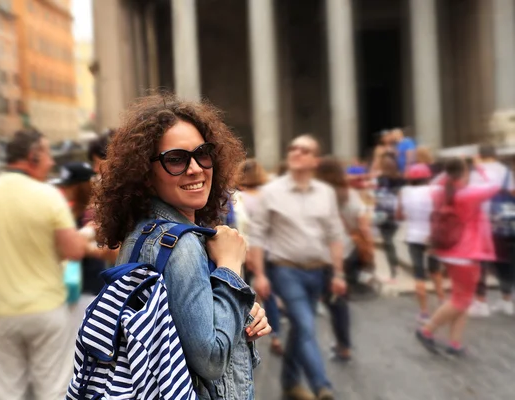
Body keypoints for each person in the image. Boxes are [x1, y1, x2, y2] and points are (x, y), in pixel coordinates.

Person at [90, 95, 271, 399]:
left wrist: (240, 311)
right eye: (175, 159)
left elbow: (178, 325)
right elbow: (211, 361)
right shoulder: (180, 244)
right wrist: (229, 267)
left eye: (203, 153)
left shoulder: (141, 232)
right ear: (144, 174)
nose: (196, 169)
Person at [0, 129, 87, 400]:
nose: (51, 162)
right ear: (33, 156)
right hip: (47, 308)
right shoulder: (49, 196)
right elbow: (74, 251)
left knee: (6, 392)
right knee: (52, 390)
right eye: (48, 154)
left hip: (1, 309)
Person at [250, 135, 346, 400]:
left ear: (315, 160)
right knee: (305, 324)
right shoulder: (271, 192)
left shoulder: (325, 193)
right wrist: (259, 274)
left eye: (304, 150)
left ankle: (290, 382)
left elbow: (335, 235)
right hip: (285, 269)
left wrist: (338, 273)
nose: (296, 152)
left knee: (299, 328)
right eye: (293, 148)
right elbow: (258, 235)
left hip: (317, 271)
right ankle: (322, 387)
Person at [416, 159, 499, 356]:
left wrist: (450, 171)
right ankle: (427, 330)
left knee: (462, 298)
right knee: (461, 300)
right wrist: (480, 168)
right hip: (466, 254)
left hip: (449, 251)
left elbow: (434, 183)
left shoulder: (440, 193)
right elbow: (494, 185)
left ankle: (455, 343)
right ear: (464, 173)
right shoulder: (467, 194)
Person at [315, 156, 372, 363]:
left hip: (322, 255)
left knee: (333, 302)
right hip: (346, 253)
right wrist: (368, 247)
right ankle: (343, 344)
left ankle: (341, 345)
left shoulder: (317, 196)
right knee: (339, 302)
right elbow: (363, 225)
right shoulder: (350, 194)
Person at [57, 162, 118, 310]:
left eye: (70, 185)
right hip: (70, 289)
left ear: (80, 186)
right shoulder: (67, 211)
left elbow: (116, 253)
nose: (65, 189)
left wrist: (84, 246)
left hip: (92, 290)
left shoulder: (97, 213)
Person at [239, 159, 284, 356]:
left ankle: (244, 334)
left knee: (242, 294)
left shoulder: (237, 198)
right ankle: (276, 336)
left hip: (244, 250)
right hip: (267, 250)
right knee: (269, 294)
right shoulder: (270, 196)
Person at [468, 144, 515, 317]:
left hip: (479, 222)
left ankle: (481, 303)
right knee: (506, 261)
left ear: (479, 154)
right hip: (502, 222)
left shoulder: (474, 172)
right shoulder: (506, 171)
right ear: (495, 155)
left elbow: (470, 194)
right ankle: (507, 300)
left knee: (480, 262)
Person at [396, 164, 445, 323]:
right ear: (428, 177)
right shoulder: (437, 190)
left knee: (419, 274)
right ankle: (442, 302)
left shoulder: (404, 192)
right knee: (435, 271)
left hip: (413, 237)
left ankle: (424, 312)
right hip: (433, 237)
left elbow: (399, 216)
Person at [374, 153, 405, 281]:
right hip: (393, 212)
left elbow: (378, 195)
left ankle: (394, 269)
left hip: (384, 213)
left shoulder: (381, 179)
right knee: (388, 241)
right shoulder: (401, 178)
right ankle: (394, 268)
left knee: (388, 242)